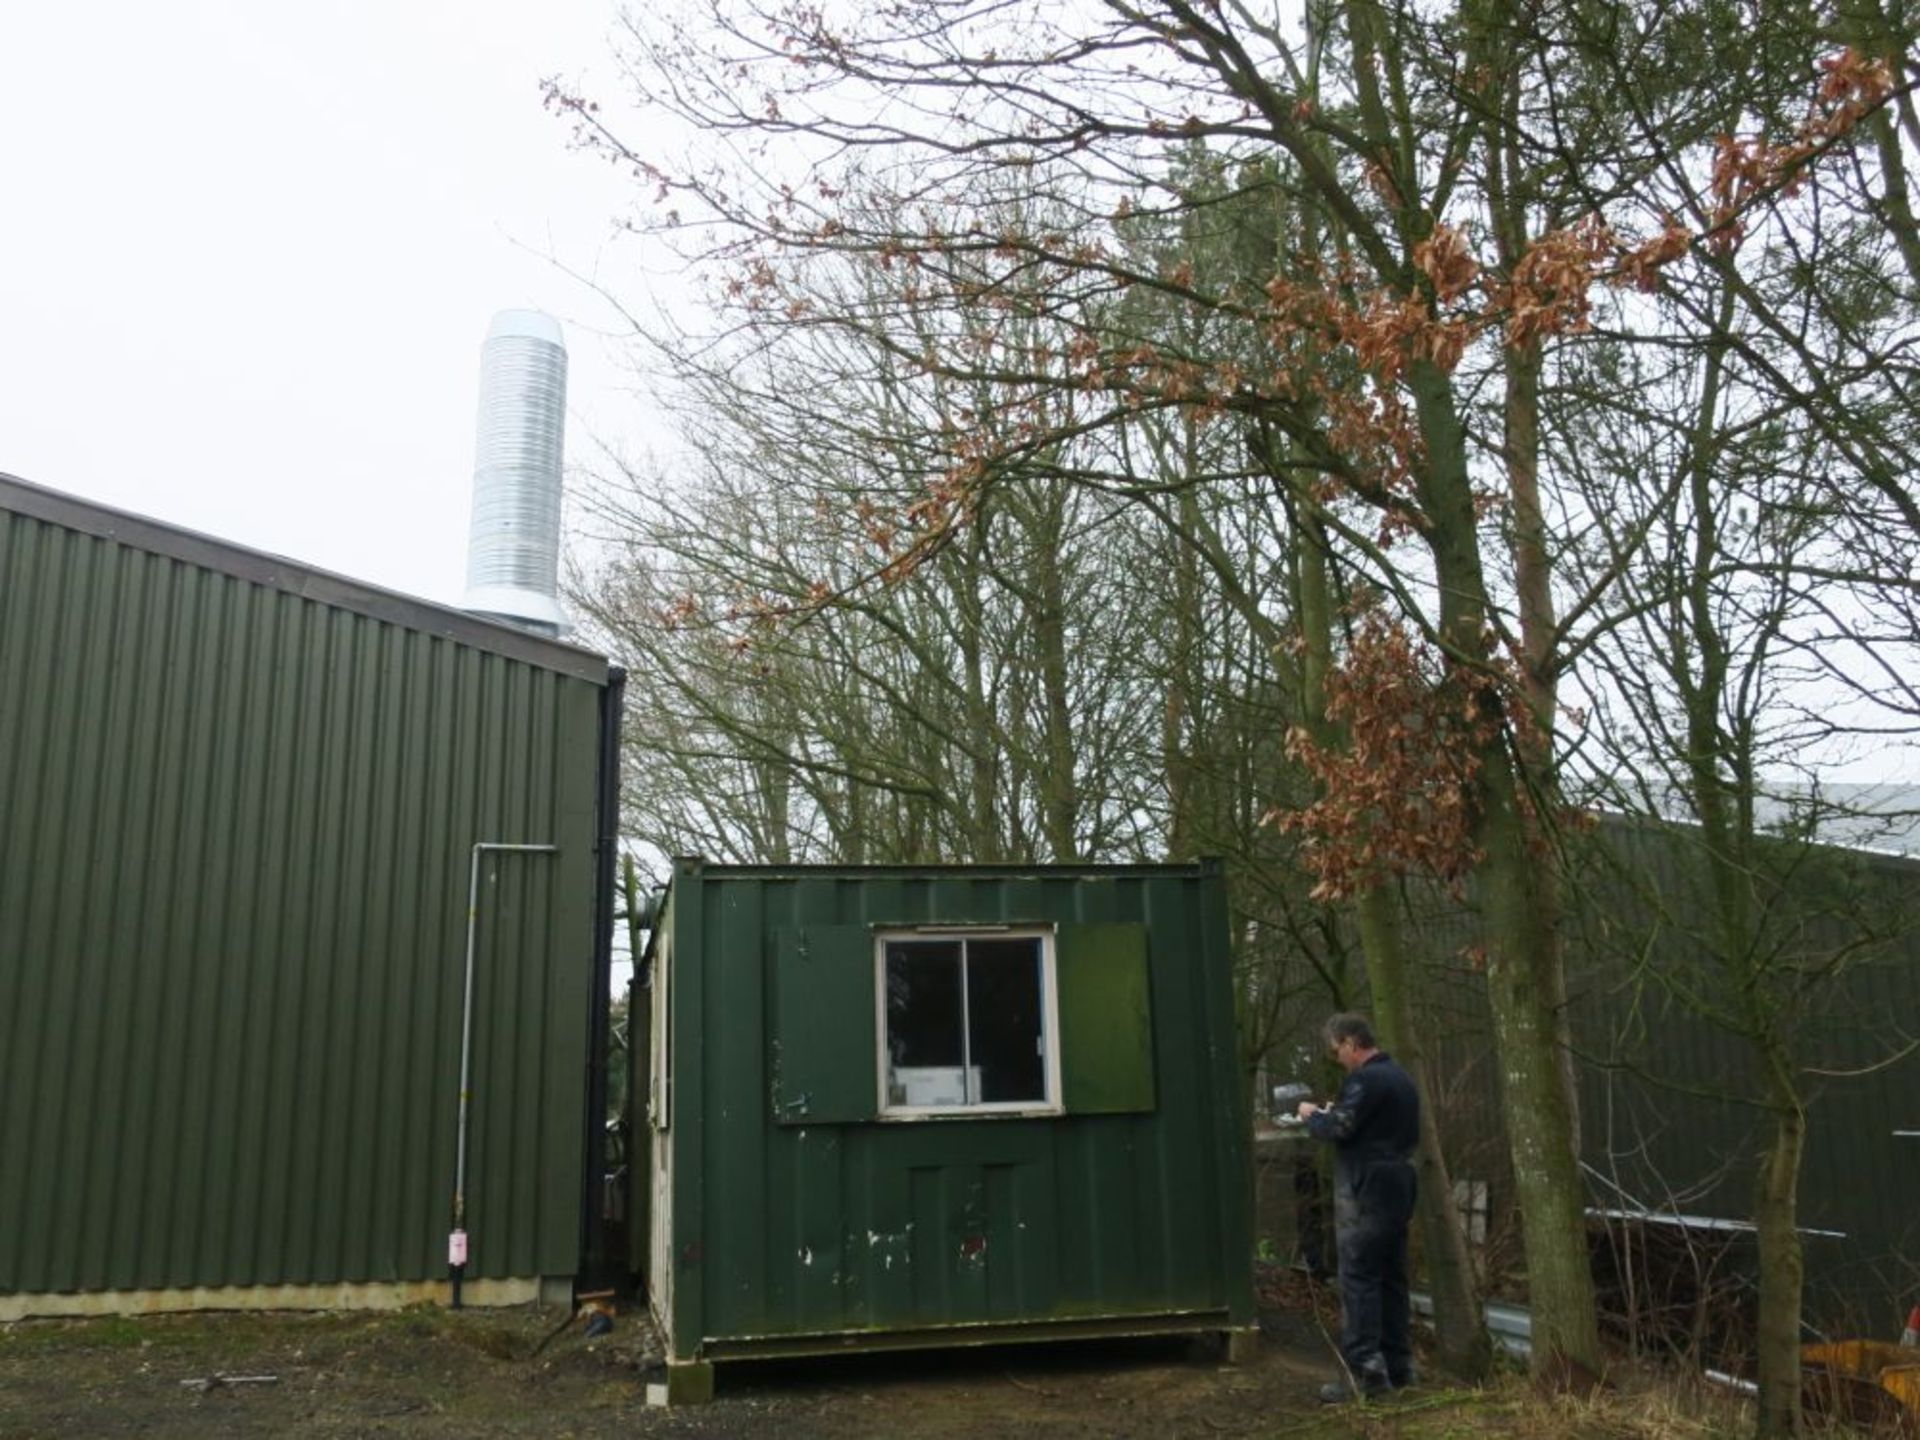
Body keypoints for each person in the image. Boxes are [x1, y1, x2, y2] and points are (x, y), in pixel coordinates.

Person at [1297, 1012, 1419, 1402]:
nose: (1338, 1059)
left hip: (1367, 1187)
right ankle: (1400, 1367)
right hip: (1400, 1182)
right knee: (1391, 1277)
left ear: (1351, 1042)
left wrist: (1312, 1116)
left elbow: (1340, 1129)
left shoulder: (1365, 1080)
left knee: (1359, 1277)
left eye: (1337, 1051)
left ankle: (1365, 1373)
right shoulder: (1401, 1078)